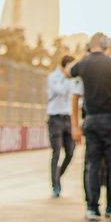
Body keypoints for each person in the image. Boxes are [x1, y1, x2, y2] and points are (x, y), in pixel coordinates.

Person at [69, 33, 111, 220]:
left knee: (92, 164)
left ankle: (92, 208)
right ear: (106, 44)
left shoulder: (83, 64)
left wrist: (85, 55)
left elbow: (68, 71)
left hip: (90, 120)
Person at [46, 53, 77, 196]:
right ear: (64, 66)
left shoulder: (74, 79)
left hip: (68, 118)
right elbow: (61, 91)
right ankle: (55, 186)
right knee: (56, 152)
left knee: (70, 152)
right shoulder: (54, 77)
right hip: (55, 118)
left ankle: (57, 175)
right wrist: (67, 78)